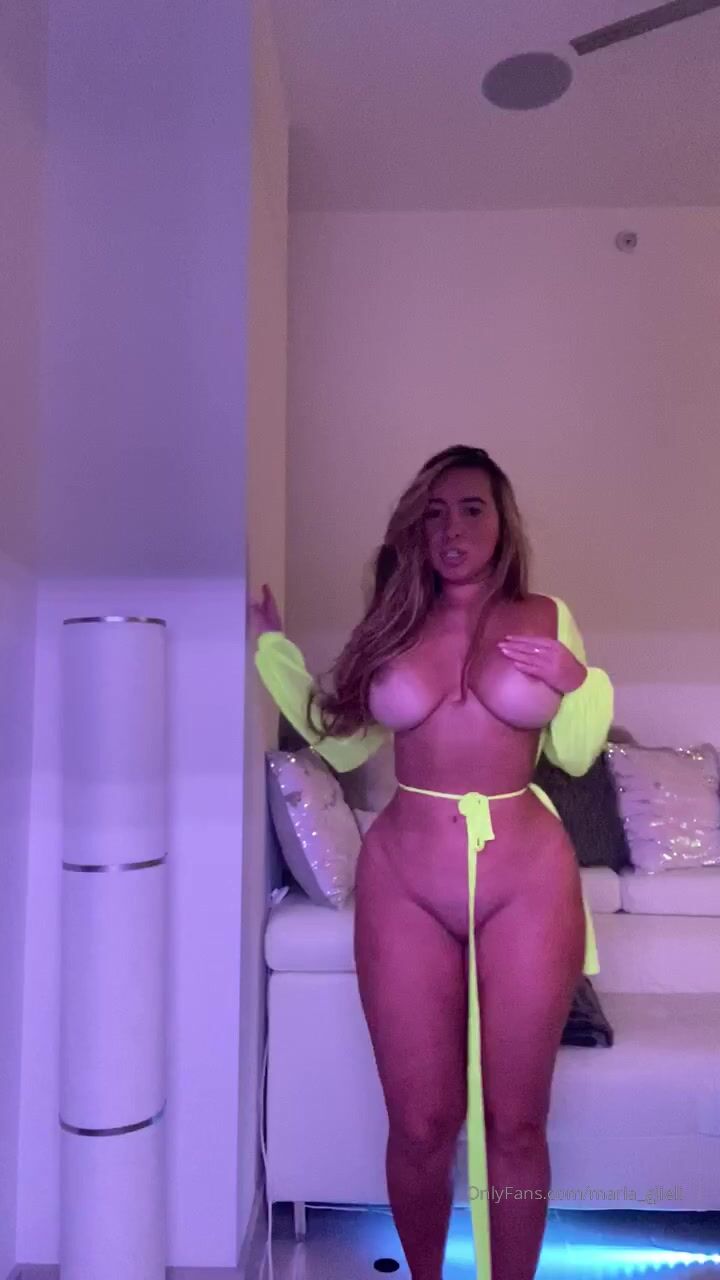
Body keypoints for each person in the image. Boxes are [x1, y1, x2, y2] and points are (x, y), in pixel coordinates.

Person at [250, 444, 613, 1280]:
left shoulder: (545, 615)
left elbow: (577, 748)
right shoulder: (392, 621)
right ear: (416, 527)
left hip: (526, 881)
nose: (453, 529)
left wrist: (579, 679)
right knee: (419, 1124)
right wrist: (273, 652)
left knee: (516, 1123)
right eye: (435, 513)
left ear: (502, 521)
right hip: (406, 882)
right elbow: (344, 741)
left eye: (471, 509)